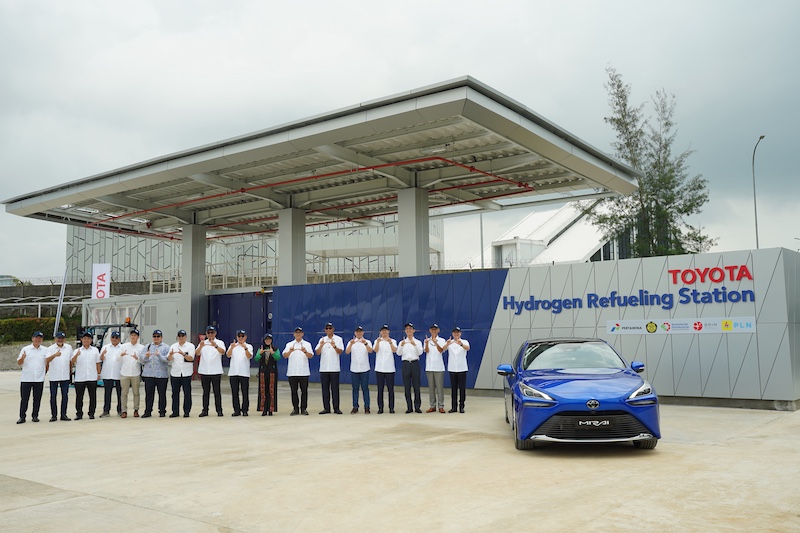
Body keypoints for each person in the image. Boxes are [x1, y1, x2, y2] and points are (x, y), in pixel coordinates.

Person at [16, 331, 48, 424]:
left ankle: (35, 416)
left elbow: (47, 363)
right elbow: (19, 363)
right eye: (36, 338)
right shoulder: (26, 349)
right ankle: (22, 417)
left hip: (39, 379)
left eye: (40, 338)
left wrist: (44, 372)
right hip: (26, 378)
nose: (38, 339)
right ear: (32, 338)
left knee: (37, 399)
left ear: (42, 339)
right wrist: (23, 358)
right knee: (24, 399)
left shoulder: (45, 350)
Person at [195, 325, 226, 417]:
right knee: (205, 392)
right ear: (206, 334)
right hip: (204, 371)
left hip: (216, 371)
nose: (210, 334)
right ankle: (205, 410)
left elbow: (223, 352)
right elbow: (197, 353)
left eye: (212, 332)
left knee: (217, 392)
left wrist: (215, 345)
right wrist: (200, 346)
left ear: (215, 333)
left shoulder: (219, 342)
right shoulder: (203, 343)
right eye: (208, 333)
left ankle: (219, 410)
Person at [315, 322, 344, 415]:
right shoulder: (322, 339)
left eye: (330, 328)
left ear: (333, 329)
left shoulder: (338, 339)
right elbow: (317, 352)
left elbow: (340, 351)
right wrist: (321, 345)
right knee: (325, 389)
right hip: (324, 368)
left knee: (335, 389)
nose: (328, 330)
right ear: (324, 330)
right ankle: (326, 408)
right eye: (326, 328)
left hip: (334, 368)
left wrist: (334, 346)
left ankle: (336, 408)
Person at [283, 327, 313, 416]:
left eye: (300, 333)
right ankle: (295, 408)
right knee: (294, 391)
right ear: (294, 334)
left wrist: (305, 352)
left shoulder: (307, 344)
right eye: (297, 333)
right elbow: (285, 355)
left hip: (303, 372)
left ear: (302, 334)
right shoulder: (289, 344)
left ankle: (304, 408)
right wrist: (290, 351)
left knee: (304, 391)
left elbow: (310, 355)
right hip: (292, 372)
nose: (298, 334)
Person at [71, 331, 101, 420]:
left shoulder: (95, 350)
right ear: (81, 340)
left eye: (88, 338)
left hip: (92, 376)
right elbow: (72, 362)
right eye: (84, 338)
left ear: (91, 340)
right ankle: (79, 414)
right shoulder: (77, 350)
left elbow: (98, 363)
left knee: (93, 396)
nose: (86, 340)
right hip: (80, 377)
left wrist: (99, 373)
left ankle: (91, 413)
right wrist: (76, 355)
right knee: (79, 397)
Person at [140, 329, 170, 418]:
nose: (156, 338)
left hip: (161, 375)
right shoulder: (147, 346)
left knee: (162, 394)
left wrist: (159, 355)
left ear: (161, 337)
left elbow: (167, 359)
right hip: (149, 374)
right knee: (149, 394)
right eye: (154, 336)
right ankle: (148, 411)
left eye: (158, 336)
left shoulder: (166, 347)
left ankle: (162, 411)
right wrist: (146, 356)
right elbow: (141, 359)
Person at [45, 331, 72, 422]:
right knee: (53, 396)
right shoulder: (50, 348)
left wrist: (70, 371)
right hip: (54, 376)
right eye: (58, 338)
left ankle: (63, 414)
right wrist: (55, 355)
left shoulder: (68, 348)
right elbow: (47, 360)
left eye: (62, 338)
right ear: (55, 339)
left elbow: (70, 361)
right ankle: (54, 415)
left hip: (65, 375)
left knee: (65, 395)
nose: (60, 340)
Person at [397, 322, 423, 414]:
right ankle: (409, 407)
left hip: (415, 364)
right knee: (407, 387)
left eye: (410, 329)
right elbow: (398, 353)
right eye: (407, 329)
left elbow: (420, 352)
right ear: (405, 331)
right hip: (406, 364)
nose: (409, 330)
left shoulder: (418, 342)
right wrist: (402, 345)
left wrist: (414, 344)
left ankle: (417, 407)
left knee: (416, 386)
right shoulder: (402, 342)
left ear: (413, 330)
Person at [168, 329, 195, 418]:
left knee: (187, 393)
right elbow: (169, 359)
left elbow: (191, 358)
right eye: (179, 336)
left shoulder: (190, 346)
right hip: (175, 373)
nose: (181, 338)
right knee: (175, 393)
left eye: (183, 336)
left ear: (186, 337)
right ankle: (175, 411)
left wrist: (183, 354)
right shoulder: (173, 346)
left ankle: (186, 411)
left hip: (186, 373)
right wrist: (171, 354)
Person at [346, 325, 373, 414]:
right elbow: (347, 352)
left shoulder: (367, 341)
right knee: (355, 388)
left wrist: (365, 343)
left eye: (360, 332)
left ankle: (367, 407)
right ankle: (355, 406)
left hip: (364, 368)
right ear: (355, 333)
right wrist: (350, 344)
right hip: (354, 369)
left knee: (365, 388)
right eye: (357, 332)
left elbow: (370, 351)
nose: (359, 333)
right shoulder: (351, 342)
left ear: (363, 333)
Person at [226, 329, 253, 416]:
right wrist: (232, 347)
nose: (241, 338)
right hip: (233, 372)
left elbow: (249, 356)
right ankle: (236, 410)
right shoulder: (233, 345)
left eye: (242, 336)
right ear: (237, 337)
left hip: (244, 372)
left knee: (245, 392)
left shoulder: (249, 346)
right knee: (235, 392)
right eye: (239, 336)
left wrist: (245, 348)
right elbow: (228, 355)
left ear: (245, 337)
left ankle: (245, 410)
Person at [119, 328, 144, 418]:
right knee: (124, 393)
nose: (133, 337)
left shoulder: (141, 347)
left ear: (138, 337)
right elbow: (117, 360)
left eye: (135, 335)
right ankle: (124, 411)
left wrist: (137, 358)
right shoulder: (123, 346)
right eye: (132, 335)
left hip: (135, 373)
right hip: (124, 373)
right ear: (129, 336)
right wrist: (121, 356)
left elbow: (143, 361)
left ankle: (136, 410)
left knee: (136, 393)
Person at [99, 331, 124, 418]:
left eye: (116, 338)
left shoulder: (123, 347)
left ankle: (120, 410)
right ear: (110, 338)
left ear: (119, 339)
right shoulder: (105, 347)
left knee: (120, 393)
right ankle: (106, 411)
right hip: (107, 373)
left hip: (119, 373)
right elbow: (101, 359)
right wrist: (102, 354)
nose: (114, 339)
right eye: (113, 337)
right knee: (107, 393)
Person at [373, 325, 397, 414]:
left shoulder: (393, 341)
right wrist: (378, 342)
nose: (384, 332)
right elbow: (375, 350)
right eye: (382, 331)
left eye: (386, 331)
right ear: (380, 332)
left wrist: (390, 342)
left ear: (388, 332)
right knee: (380, 389)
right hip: (379, 368)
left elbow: (395, 350)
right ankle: (380, 408)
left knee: (391, 389)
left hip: (389, 368)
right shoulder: (377, 340)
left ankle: (391, 407)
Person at [445, 327, 470, 413]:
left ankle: (462, 406)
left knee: (462, 388)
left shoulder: (464, 342)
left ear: (460, 333)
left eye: (458, 333)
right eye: (455, 333)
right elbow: (443, 349)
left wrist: (461, 344)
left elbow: (468, 348)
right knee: (453, 389)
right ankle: (454, 407)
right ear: (452, 334)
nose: (456, 334)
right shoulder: (450, 342)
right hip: (452, 368)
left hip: (462, 368)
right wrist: (447, 344)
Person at [424, 323, 447, 413]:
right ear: (430, 331)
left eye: (435, 329)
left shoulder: (441, 340)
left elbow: (441, 350)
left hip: (439, 367)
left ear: (438, 330)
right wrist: (426, 343)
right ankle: (432, 406)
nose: (434, 331)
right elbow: (426, 351)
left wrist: (435, 342)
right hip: (429, 367)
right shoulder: (427, 340)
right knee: (431, 387)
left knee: (439, 387)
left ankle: (441, 406)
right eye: (432, 329)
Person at [256, 334, 280, 416]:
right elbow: (256, 358)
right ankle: (263, 409)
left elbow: (278, 357)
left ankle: (271, 409)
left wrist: (273, 353)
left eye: (269, 340)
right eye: (266, 340)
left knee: (272, 390)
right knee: (263, 390)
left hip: (272, 372)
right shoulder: (261, 348)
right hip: (263, 371)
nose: (268, 341)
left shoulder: (275, 348)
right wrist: (260, 353)